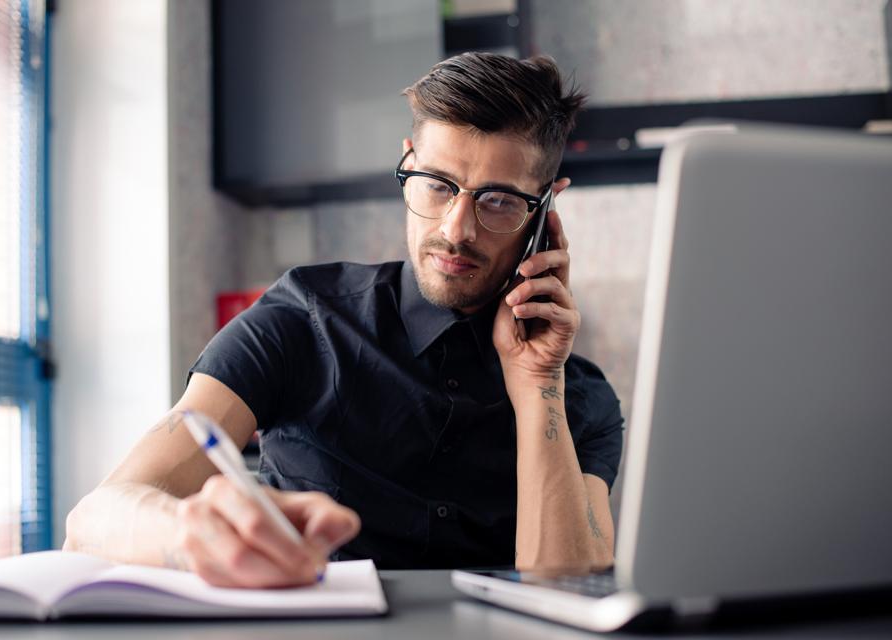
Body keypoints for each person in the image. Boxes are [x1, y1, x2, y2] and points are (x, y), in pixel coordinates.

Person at [64, 52, 623, 588]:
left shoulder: (581, 397)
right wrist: (196, 537)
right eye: (436, 184)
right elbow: (94, 520)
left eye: (498, 201)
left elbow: (568, 593)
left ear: (546, 206)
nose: (457, 229)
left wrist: (538, 386)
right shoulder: (302, 317)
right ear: (408, 160)